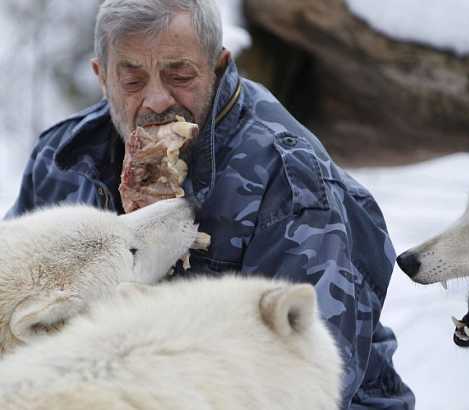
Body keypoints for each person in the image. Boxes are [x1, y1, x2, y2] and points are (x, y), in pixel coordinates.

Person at [6, 1, 415, 408]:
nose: (157, 100)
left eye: (179, 74)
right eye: (131, 79)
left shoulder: (293, 182)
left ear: (218, 66)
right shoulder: (62, 158)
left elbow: (313, 374)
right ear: (101, 76)